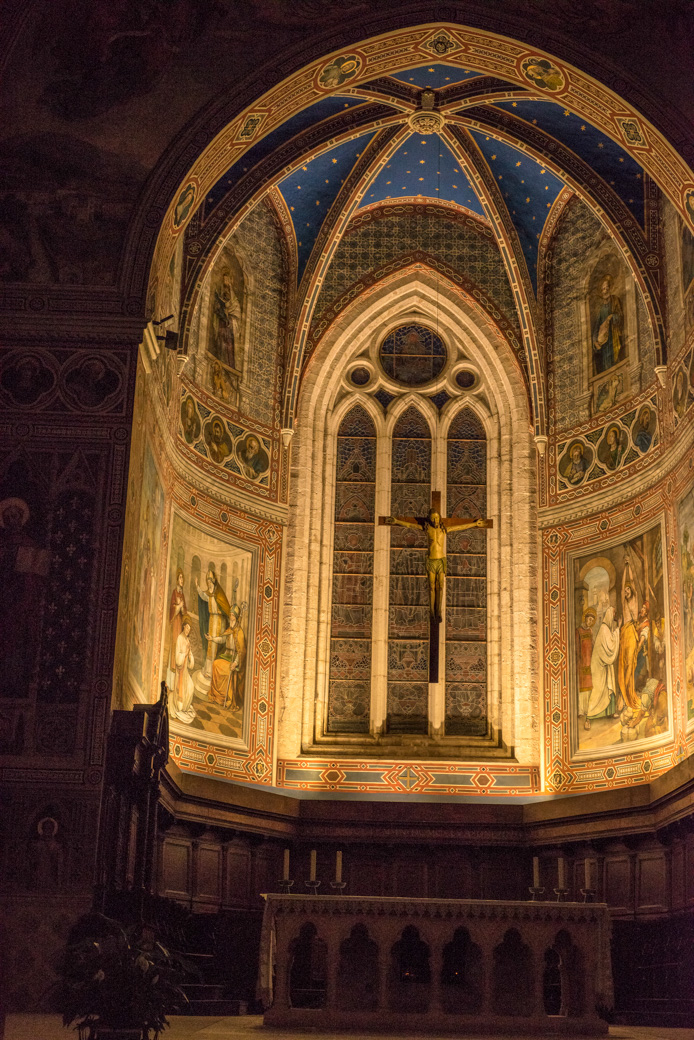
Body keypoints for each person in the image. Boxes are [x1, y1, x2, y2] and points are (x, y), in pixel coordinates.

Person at [385, 508, 489, 622]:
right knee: (431, 587)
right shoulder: (427, 529)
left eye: (437, 518)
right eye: (433, 518)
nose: (435, 520)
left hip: (440, 561)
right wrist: (397, 521)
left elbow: (459, 527)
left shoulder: (444, 530)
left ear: (439, 518)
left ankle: (438, 612)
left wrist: (474, 524)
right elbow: (411, 526)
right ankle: (431, 612)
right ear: (430, 519)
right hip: (431, 560)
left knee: (440, 587)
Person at [584, 607, 621, 729]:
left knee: (607, 689)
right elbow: (611, 646)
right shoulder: (604, 629)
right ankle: (588, 718)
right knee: (597, 692)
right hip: (599, 667)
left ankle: (610, 712)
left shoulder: (605, 629)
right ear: (609, 615)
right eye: (614, 614)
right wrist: (618, 629)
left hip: (604, 665)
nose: (614, 617)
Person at [209, 606, 246, 710]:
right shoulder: (230, 629)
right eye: (230, 614)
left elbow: (241, 651)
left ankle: (227, 698)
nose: (230, 616)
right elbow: (222, 639)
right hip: (226, 656)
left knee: (227, 669)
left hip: (234, 659)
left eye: (232, 615)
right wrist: (212, 638)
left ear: (236, 617)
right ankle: (217, 695)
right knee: (215, 664)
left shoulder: (240, 633)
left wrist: (235, 663)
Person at [196, 569, 231, 678]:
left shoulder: (219, 594)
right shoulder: (210, 594)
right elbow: (203, 596)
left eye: (210, 580)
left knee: (215, 644)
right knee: (210, 645)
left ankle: (213, 672)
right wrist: (197, 586)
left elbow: (226, 608)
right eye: (208, 581)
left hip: (219, 621)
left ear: (214, 581)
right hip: (212, 620)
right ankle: (207, 670)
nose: (209, 583)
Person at [617, 562, 641, 713]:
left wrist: (629, 567)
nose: (626, 591)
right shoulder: (624, 603)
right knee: (624, 664)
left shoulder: (635, 600)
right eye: (625, 590)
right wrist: (624, 571)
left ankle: (627, 694)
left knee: (630, 665)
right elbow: (621, 587)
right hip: (624, 633)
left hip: (632, 632)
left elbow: (632, 582)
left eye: (628, 589)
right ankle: (624, 695)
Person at [592, 276, 623, 374]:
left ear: (610, 288)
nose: (605, 291)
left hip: (614, 334)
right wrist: (595, 341)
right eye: (603, 289)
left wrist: (612, 317)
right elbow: (597, 326)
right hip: (604, 339)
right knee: (606, 360)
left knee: (615, 356)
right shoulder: (601, 309)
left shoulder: (615, 300)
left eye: (606, 288)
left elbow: (620, 316)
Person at [211, 271, 240, 370]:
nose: (225, 281)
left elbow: (235, 308)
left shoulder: (233, 298)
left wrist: (228, 314)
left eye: (227, 279)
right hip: (221, 322)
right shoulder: (221, 291)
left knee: (228, 344)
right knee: (220, 341)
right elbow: (218, 306)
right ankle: (220, 358)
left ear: (230, 280)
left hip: (229, 324)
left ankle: (229, 365)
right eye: (224, 279)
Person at [170, 616, 196, 723]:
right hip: (180, 671)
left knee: (191, 687)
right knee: (183, 691)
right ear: (184, 627)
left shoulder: (187, 639)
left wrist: (190, 655)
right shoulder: (180, 639)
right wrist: (185, 653)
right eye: (187, 628)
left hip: (185, 671)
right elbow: (177, 660)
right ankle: (180, 706)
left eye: (189, 629)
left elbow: (191, 664)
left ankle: (184, 706)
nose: (188, 630)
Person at [576, 608, 596, 717]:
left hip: (589, 662)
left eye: (592, 621)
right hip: (581, 662)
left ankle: (588, 709)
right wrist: (579, 661)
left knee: (588, 687)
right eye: (589, 619)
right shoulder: (578, 630)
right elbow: (577, 647)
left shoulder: (590, 631)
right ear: (585, 619)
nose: (590, 622)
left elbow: (592, 645)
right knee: (581, 687)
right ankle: (580, 710)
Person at [168, 569, 187, 674]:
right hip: (175, 621)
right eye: (180, 577)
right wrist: (178, 607)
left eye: (182, 577)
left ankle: (178, 666)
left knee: (180, 644)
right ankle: (173, 667)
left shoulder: (182, 595)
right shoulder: (175, 592)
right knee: (175, 642)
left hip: (180, 622)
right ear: (177, 580)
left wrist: (183, 608)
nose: (182, 580)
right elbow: (172, 607)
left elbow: (185, 611)